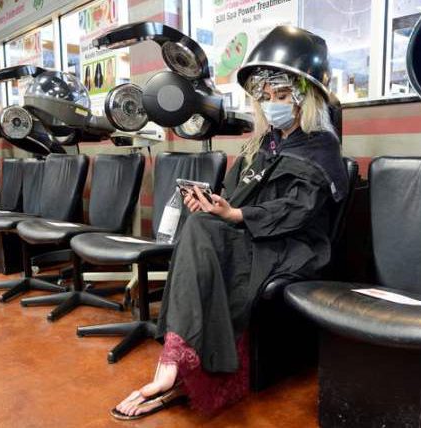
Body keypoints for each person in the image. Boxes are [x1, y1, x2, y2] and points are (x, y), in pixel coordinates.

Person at [111, 25, 349, 421]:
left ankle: (176, 362)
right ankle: (180, 359)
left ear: (304, 98)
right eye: (265, 97)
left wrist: (235, 215)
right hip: (250, 233)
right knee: (200, 226)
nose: (271, 104)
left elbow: (299, 209)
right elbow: (233, 195)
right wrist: (212, 204)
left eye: (281, 96)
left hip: (293, 244)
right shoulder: (262, 144)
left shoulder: (321, 146)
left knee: (203, 233)